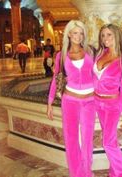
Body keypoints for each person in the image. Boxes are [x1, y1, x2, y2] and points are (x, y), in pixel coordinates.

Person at [47, 20, 95, 177]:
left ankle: (86, 172)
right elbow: (56, 79)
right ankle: (76, 173)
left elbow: (99, 75)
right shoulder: (61, 56)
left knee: (87, 139)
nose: (78, 36)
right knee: (71, 138)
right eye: (75, 32)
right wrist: (50, 102)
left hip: (89, 101)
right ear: (68, 34)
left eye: (81, 33)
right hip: (70, 101)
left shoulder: (90, 52)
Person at [93, 24, 122, 177]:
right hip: (97, 102)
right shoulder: (100, 54)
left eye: (109, 35)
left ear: (116, 36)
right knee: (111, 140)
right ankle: (114, 172)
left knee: (107, 142)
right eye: (103, 35)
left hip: (112, 105)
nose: (105, 38)